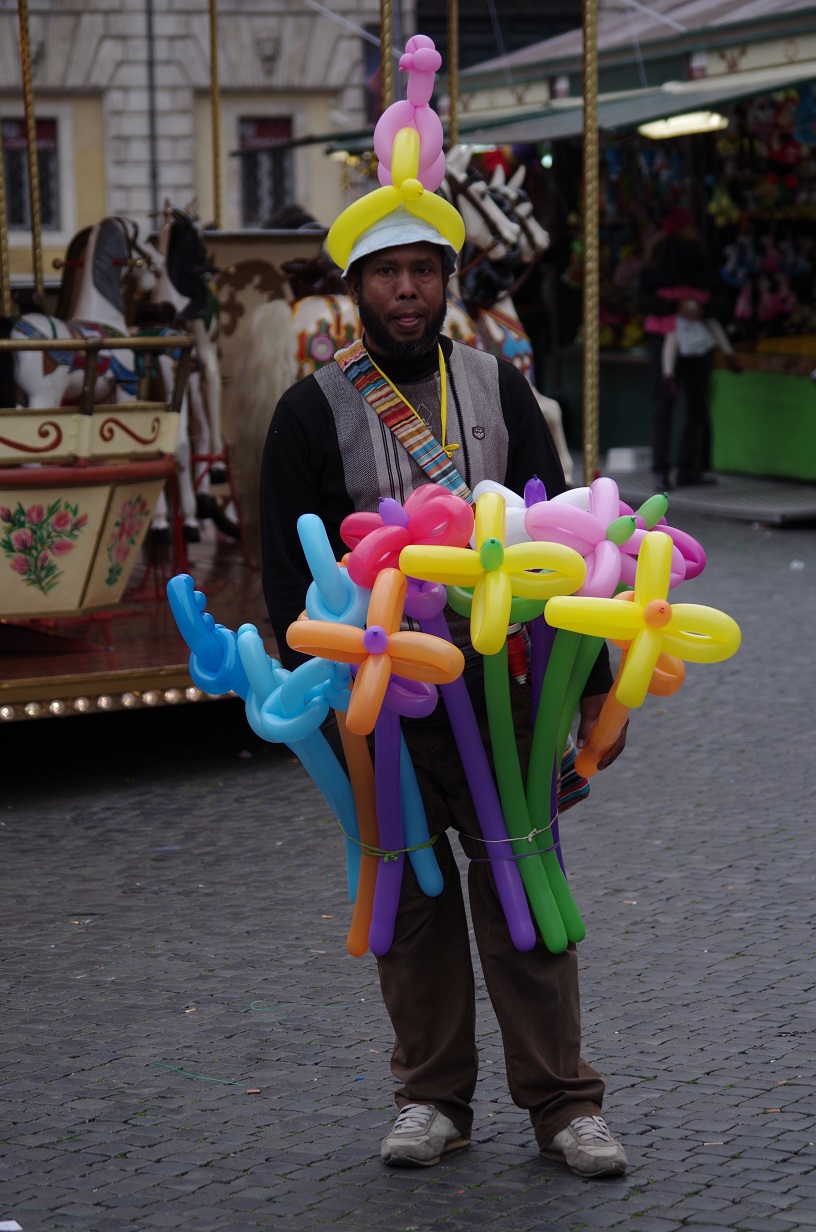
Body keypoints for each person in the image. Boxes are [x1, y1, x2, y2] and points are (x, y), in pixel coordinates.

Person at [260, 67, 628, 1175]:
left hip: (503, 688)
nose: (408, 289)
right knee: (413, 897)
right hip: (383, 694)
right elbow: (284, 576)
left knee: (522, 887)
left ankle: (564, 1102)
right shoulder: (308, 410)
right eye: (388, 273)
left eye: (424, 270)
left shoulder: (500, 387)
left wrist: (594, 684)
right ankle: (431, 1097)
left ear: (447, 280)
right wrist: (324, 698)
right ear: (357, 286)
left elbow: (575, 541)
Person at [636, 207, 732, 489]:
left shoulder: (691, 258)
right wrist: (677, 306)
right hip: (667, 337)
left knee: (691, 406)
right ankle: (666, 469)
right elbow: (642, 299)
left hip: (695, 339)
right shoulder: (659, 258)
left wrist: (701, 309)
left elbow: (718, 297)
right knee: (672, 406)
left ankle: (681, 469)